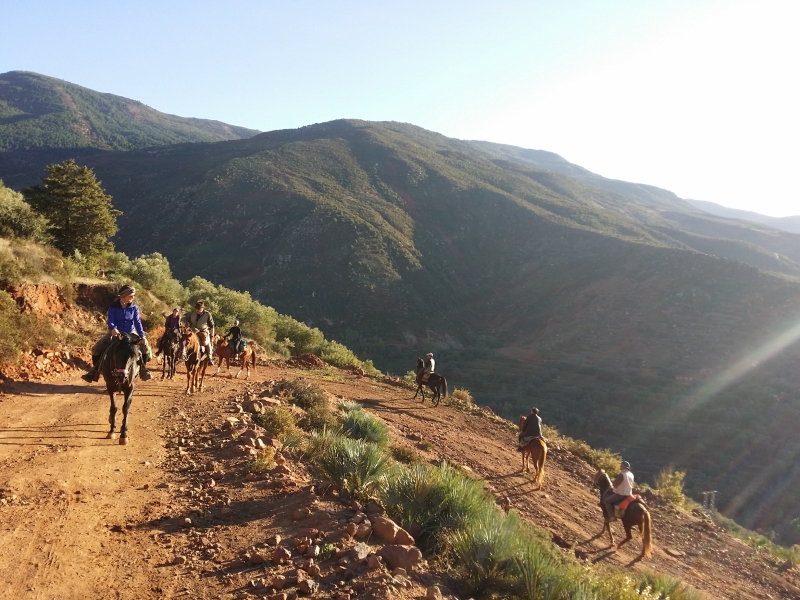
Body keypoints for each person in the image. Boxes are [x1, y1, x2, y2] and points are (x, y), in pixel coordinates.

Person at [81, 285, 153, 382]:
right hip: (115, 333)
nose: (133, 298)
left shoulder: (134, 308)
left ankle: (143, 370)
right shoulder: (113, 307)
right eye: (131, 295)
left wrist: (142, 335)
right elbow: (110, 321)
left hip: (130, 332)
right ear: (124, 295)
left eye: (133, 296)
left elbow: (137, 322)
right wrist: (113, 328)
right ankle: (95, 372)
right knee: (96, 349)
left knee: (145, 347)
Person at [185, 300, 215, 365]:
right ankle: (181, 353)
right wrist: (187, 324)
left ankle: (210, 357)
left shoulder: (208, 314)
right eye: (196, 308)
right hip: (193, 331)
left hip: (203, 331)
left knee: (207, 342)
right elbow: (188, 321)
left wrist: (212, 336)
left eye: (199, 309)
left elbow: (212, 326)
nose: (197, 310)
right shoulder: (193, 314)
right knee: (185, 340)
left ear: (202, 308)